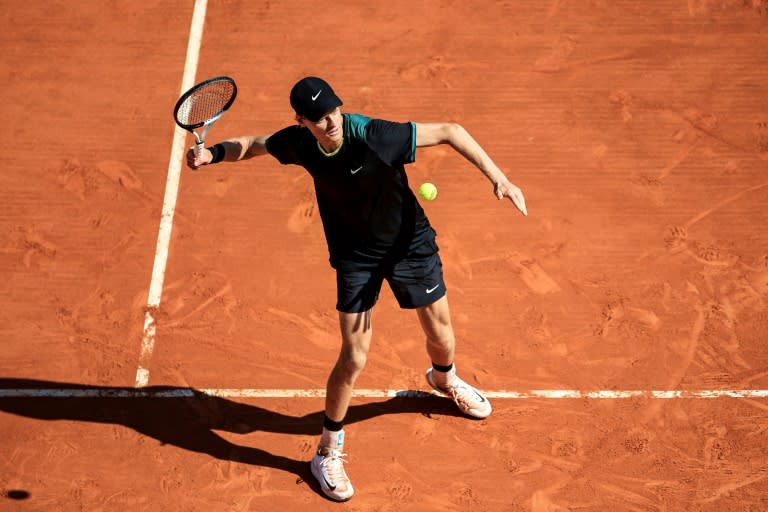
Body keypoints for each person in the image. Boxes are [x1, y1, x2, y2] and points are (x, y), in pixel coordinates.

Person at [186, 76, 528, 501]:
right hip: (356, 258)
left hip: (408, 243)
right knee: (354, 355)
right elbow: (254, 144)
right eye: (318, 118)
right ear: (301, 121)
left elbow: (451, 131)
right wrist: (213, 153)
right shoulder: (299, 143)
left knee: (441, 334)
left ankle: (445, 379)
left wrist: (500, 179)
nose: (329, 122)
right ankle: (327, 451)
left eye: (332, 112)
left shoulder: (373, 135)